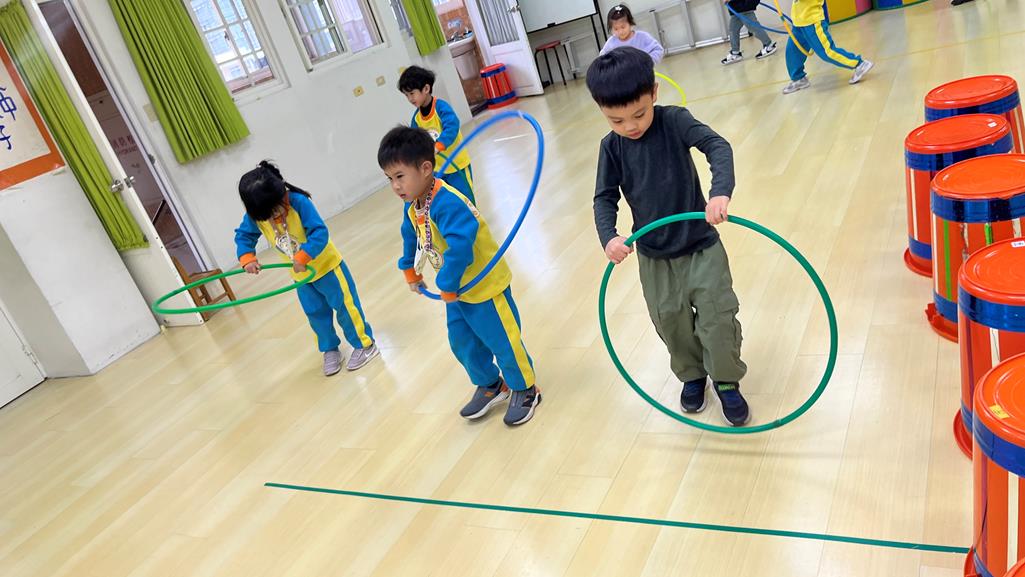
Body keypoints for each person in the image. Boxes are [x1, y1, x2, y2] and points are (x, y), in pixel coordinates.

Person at [586, 47, 750, 426]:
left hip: (700, 245)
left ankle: (726, 379)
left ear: (654, 93)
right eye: (616, 119)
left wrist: (720, 192)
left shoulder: (674, 121)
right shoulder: (611, 147)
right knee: (670, 321)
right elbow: (604, 197)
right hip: (653, 255)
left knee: (717, 317)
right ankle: (692, 376)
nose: (630, 126)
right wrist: (609, 237)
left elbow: (717, 146)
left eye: (639, 113)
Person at [378, 126, 542, 426]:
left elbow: (461, 247)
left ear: (425, 168)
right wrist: (409, 268)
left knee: (502, 339)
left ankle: (525, 387)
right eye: (389, 179)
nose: (395, 186)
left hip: (482, 284)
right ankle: (491, 384)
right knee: (462, 341)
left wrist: (447, 283)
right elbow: (410, 235)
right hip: (455, 288)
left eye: (400, 176)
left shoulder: (449, 202)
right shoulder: (412, 205)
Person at [234, 161, 378, 376]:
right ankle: (330, 349)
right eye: (265, 215)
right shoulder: (258, 213)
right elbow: (244, 235)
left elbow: (319, 232)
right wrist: (247, 257)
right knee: (315, 314)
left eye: (273, 211)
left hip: (328, 268)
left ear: (280, 195)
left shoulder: (299, 202)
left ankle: (365, 344)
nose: (271, 217)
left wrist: (304, 256)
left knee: (346, 308)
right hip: (300, 277)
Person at [398, 65, 476, 203]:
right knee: (448, 201)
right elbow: (415, 141)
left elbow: (452, 126)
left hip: (457, 165)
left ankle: (472, 216)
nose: (410, 99)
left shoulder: (441, 107)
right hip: (438, 170)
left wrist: (439, 146)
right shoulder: (417, 118)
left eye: (412, 93)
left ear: (426, 89)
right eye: (406, 95)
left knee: (465, 200)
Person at [782, 0, 873, 94]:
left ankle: (860, 64)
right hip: (799, 22)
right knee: (793, 50)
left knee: (827, 52)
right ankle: (799, 79)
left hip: (812, 21)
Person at [599, 4, 665, 64]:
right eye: (616, 29)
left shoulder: (642, 37)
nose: (620, 31)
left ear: (630, 23)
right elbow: (602, 58)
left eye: (623, 27)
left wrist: (648, 62)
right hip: (622, 73)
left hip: (643, 71)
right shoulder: (611, 43)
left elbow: (658, 49)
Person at [722, 0, 778, 65]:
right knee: (733, 30)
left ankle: (769, 45)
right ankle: (735, 53)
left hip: (745, 7)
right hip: (735, 9)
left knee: (754, 28)